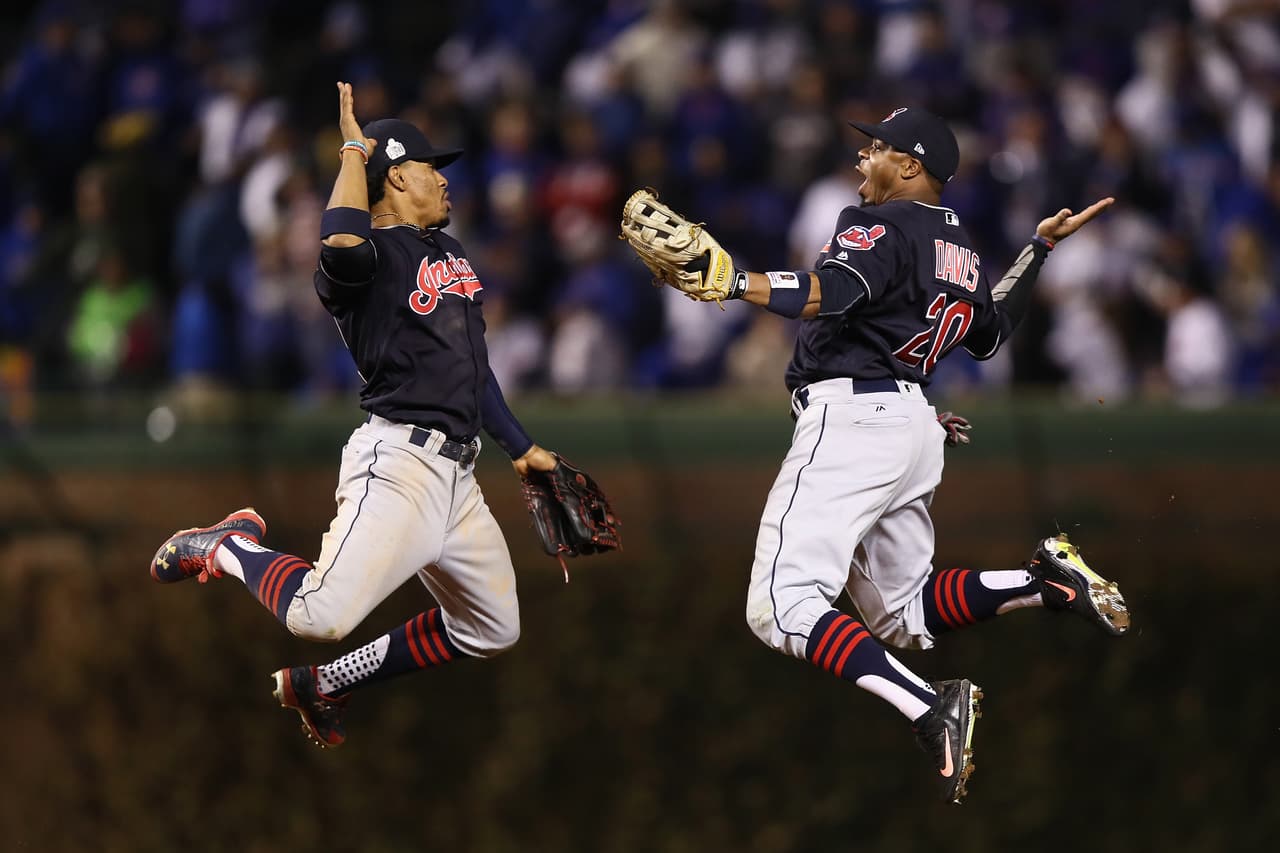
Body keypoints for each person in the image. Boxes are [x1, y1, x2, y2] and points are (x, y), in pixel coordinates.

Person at [645, 107, 1126, 803]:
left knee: (780, 604)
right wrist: (1040, 248)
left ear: (910, 165)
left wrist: (736, 282)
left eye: (875, 148)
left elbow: (831, 291)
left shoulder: (883, 224)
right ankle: (1042, 582)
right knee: (905, 612)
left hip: (855, 419)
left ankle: (930, 705)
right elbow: (990, 334)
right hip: (911, 423)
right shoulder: (960, 248)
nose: (862, 159)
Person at [149, 82, 564, 748]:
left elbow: (474, 370)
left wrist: (522, 448)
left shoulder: (451, 254)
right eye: (430, 167)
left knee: (493, 627)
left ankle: (328, 682)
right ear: (396, 175)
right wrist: (352, 150)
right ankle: (226, 546)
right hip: (400, 464)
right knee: (317, 614)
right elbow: (341, 240)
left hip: (458, 477)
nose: (444, 180)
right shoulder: (366, 261)